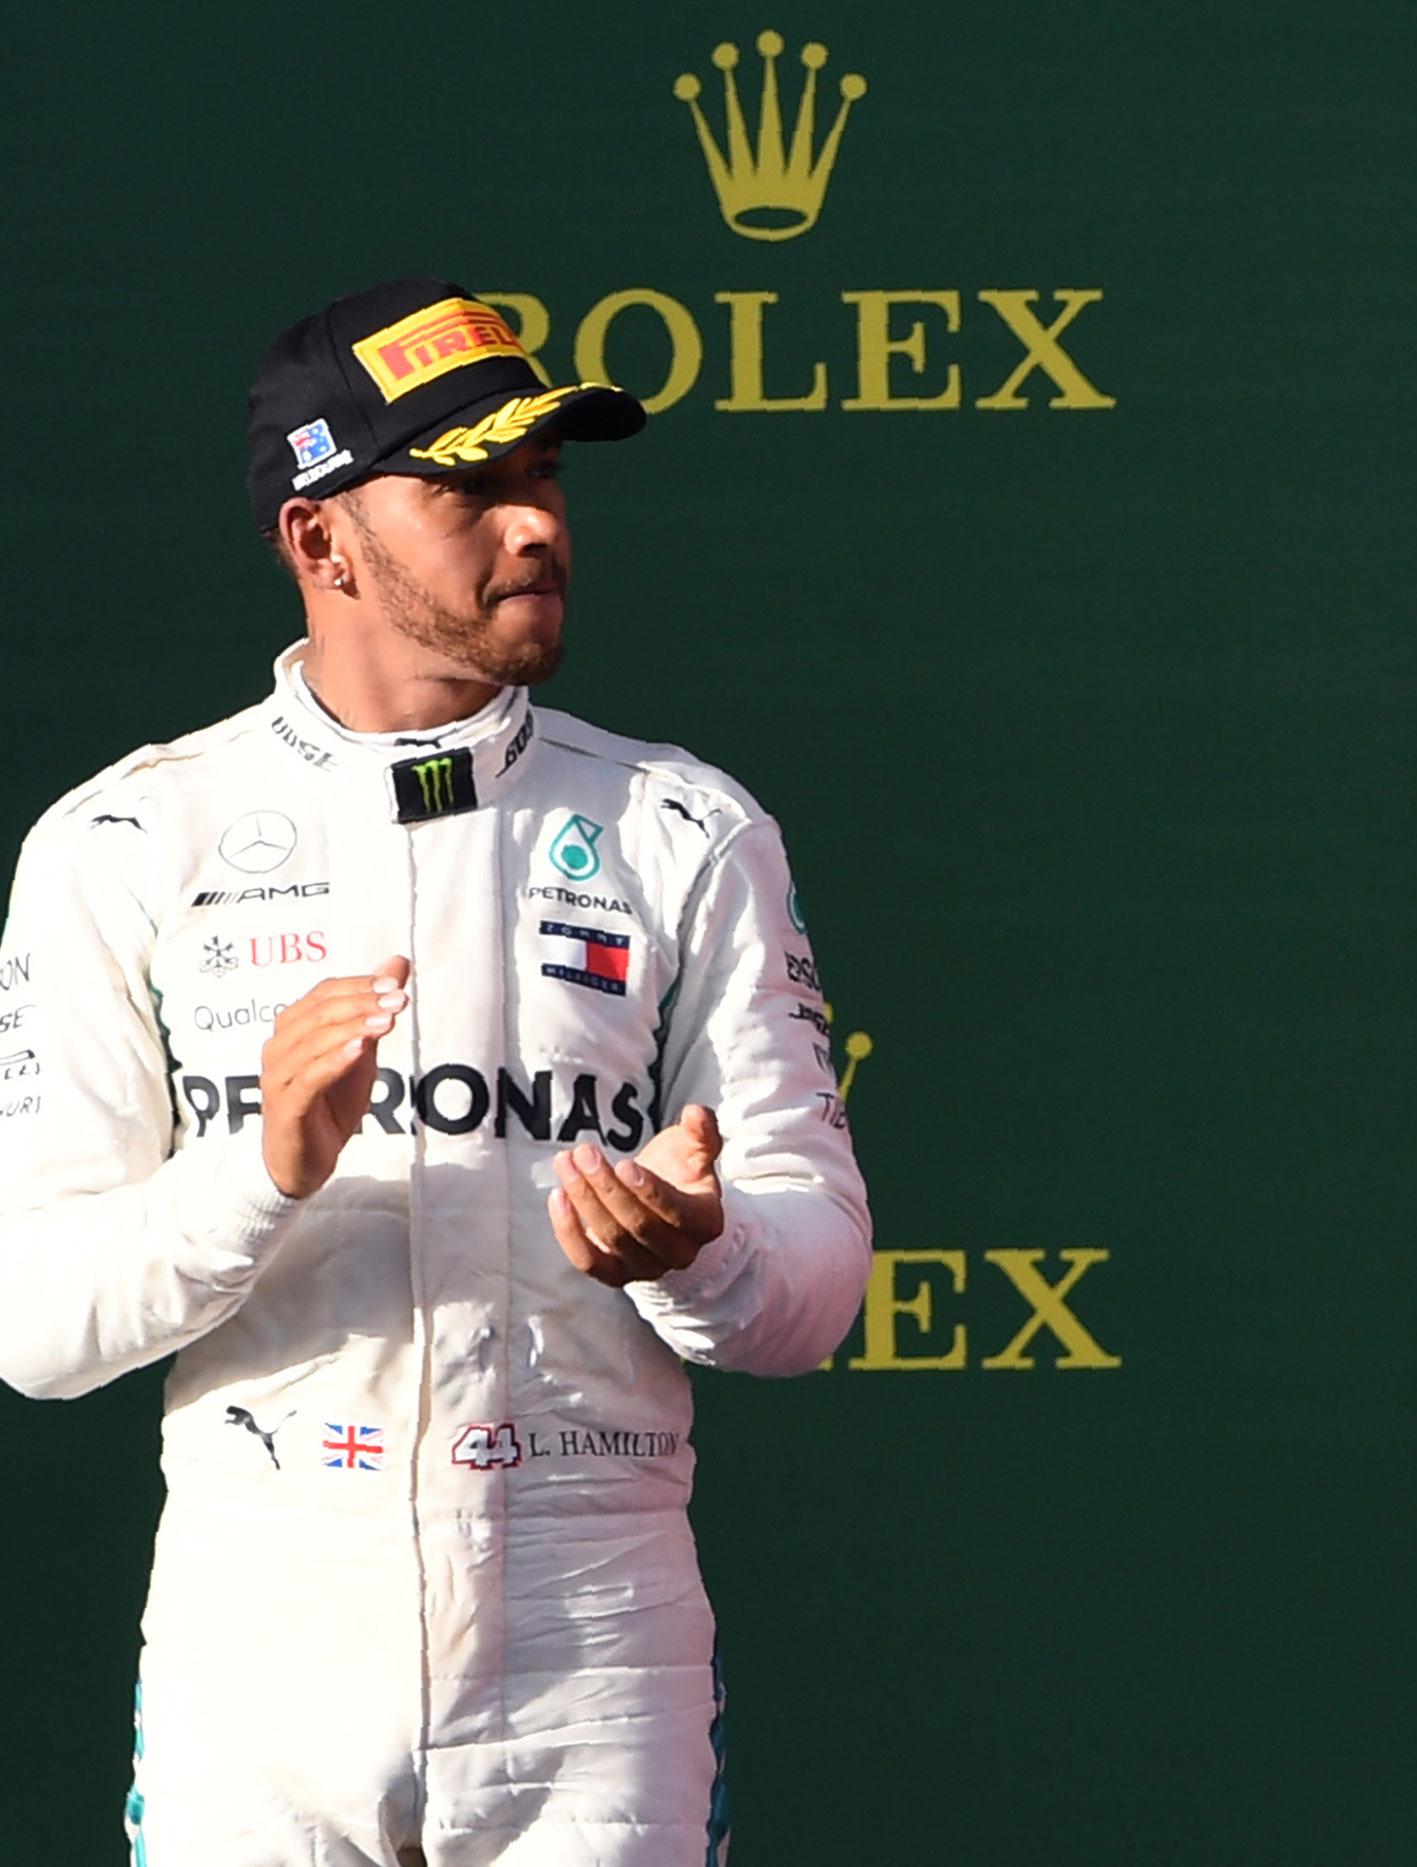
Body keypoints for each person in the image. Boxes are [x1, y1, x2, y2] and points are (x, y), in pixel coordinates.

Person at [0, 275, 873, 1865]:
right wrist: (257, 1167)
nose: (533, 527)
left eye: (541, 481)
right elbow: (35, 1325)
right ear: (320, 540)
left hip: (591, 1633)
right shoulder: (126, 840)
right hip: (258, 1640)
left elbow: (816, 1293)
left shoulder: (686, 829)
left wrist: (705, 1249)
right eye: (469, 488)